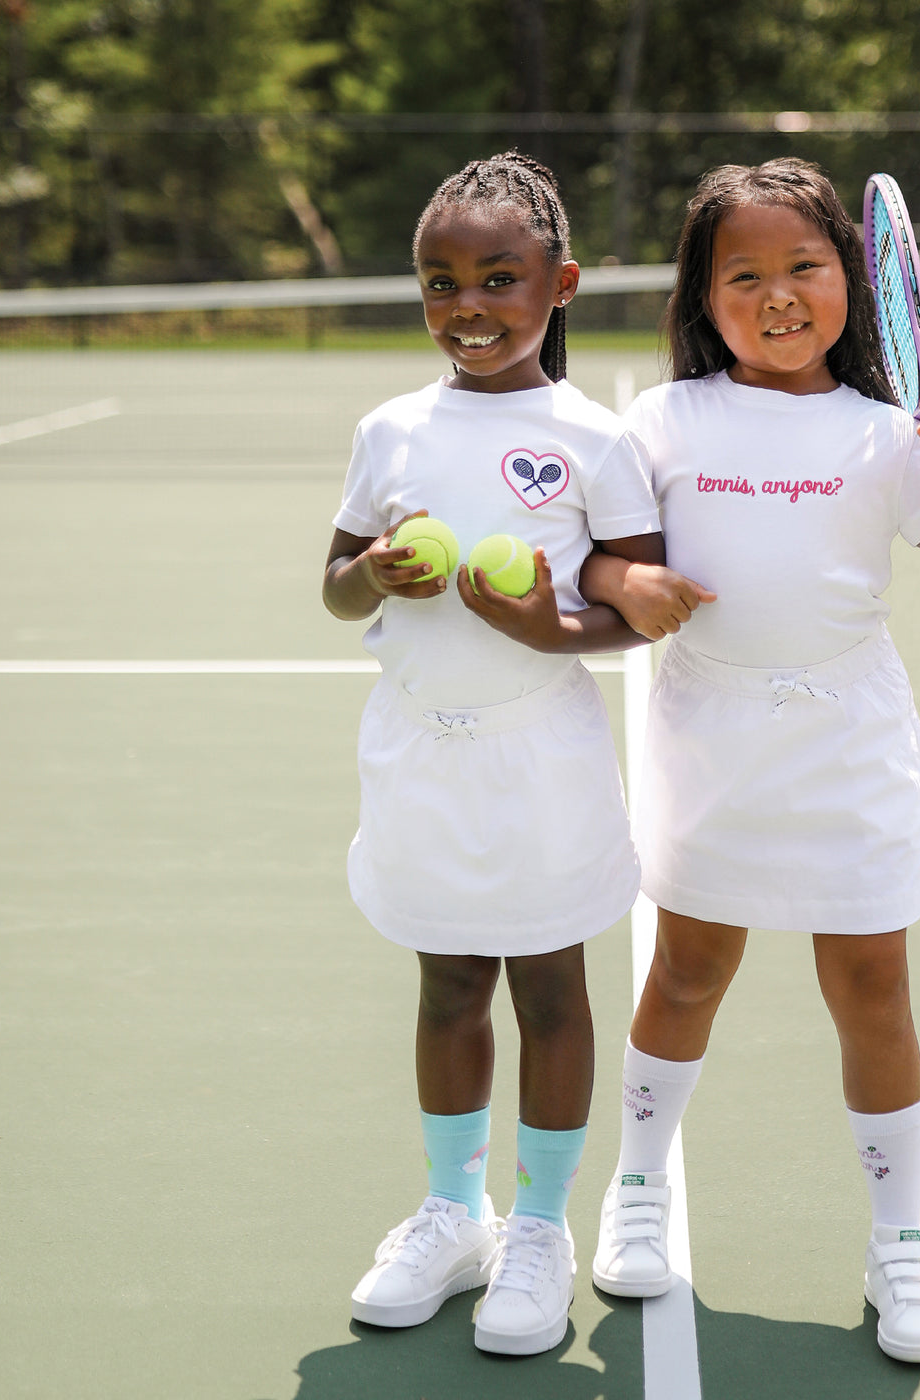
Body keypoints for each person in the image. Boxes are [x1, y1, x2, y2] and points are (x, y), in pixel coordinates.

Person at [579, 157, 920, 1366]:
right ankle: (636, 1182)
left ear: (852, 278)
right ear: (701, 293)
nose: (778, 294)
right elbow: (596, 557)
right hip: (708, 736)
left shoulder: (888, 434)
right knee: (685, 967)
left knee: (872, 983)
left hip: (849, 743)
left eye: (803, 266)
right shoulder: (661, 423)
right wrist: (625, 579)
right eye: (744, 273)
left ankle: (899, 1236)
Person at [322, 151, 662, 1358]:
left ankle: (539, 1228)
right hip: (418, 756)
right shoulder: (387, 429)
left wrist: (546, 623)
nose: (467, 305)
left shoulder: (594, 438)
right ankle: (451, 1212)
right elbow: (330, 584)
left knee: (551, 989)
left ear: (557, 284)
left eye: (498, 278)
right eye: (439, 282)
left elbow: (634, 607)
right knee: (448, 985)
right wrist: (371, 571)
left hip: (541, 763)